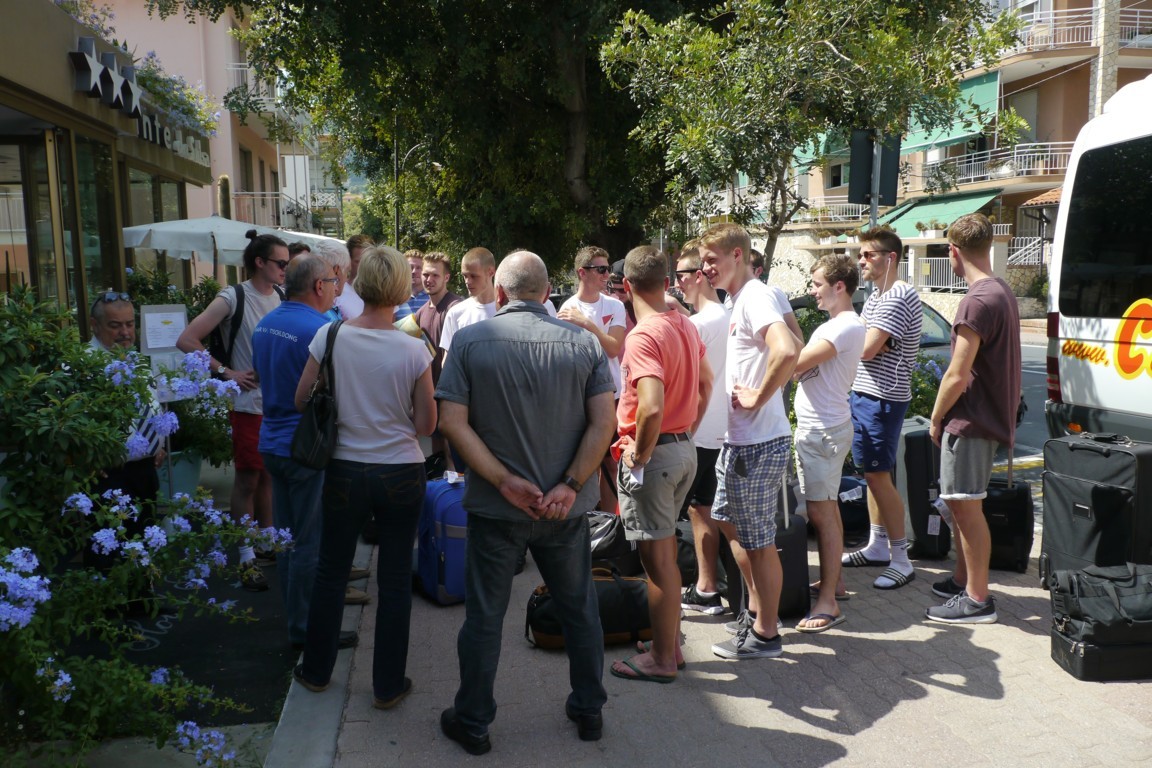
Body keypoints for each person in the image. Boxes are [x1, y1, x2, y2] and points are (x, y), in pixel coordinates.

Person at [436, 251, 616, 754]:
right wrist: (570, 482)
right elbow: (605, 422)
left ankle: (473, 718)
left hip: (497, 510)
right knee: (580, 609)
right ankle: (589, 709)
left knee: (485, 616)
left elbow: (452, 421)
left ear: (500, 292)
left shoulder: (471, 340)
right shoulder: (582, 342)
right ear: (547, 291)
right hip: (564, 509)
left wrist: (501, 480)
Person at [292, 245, 436, 707]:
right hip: (401, 471)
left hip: (344, 469)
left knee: (332, 571)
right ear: (398, 287)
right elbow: (426, 425)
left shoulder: (330, 336)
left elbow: (301, 401)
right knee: (394, 580)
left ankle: (316, 671)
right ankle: (387, 686)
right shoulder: (415, 349)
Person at [698, 222, 800, 660]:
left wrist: (759, 395)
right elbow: (795, 340)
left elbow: (788, 349)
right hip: (740, 442)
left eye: (711, 259)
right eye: (702, 261)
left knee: (758, 541)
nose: (705, 269)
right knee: (727, 522)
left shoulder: (755, 296)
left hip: (758, 443)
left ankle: (767, 633)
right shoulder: (742, 298)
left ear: (737, 255)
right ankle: (757, 608)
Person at [610, 245, 711, 683]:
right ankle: (668, 645)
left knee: (657, 562)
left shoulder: (643, 334)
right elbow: (706, 384)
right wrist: (683, 430)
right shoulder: (684, 324)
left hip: (657, 455)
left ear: (626, 286)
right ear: (668, 283)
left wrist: (644, 450)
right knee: (666, 553)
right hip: (683, 448)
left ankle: (663, 659)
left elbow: (650, 406)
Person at [252, 254, 362, 648]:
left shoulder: (265, 324)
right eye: (334, 283)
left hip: (272, 442)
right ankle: (307, 632)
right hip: (308, 448)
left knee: (285, 539)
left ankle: (296, 622)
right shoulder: (324, 329)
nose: (336, 290)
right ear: (319, 286)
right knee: (308, 544)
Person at [177, 231, 288, 591]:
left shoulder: (284, 297)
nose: (286, 270)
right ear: (260, 263)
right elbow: (186, 340)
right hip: (248, 406)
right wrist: (226, 373)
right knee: (247, 479)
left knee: (269, 476)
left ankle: (265, 543)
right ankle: (244, 556)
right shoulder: (233, 297)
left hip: (277, 406)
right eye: (281, 263)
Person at [925, 214, 1021, 624]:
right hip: (988, 417)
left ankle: (978, 599)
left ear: (953, 252)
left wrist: (935, 417)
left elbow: (957, 373)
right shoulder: (1001, 290)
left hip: (971, 420)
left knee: (965, 507)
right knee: (961, 502)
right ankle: (965, 581)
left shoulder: (976, 300)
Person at [841, 228, 923, 591]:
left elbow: (864, 348)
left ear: (891, 258)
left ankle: (901, 558)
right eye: (861, 254)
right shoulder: (877, 294)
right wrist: (871, 338)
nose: (861, 260)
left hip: (882, 399)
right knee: (874, 476)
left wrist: (873, 340)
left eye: (869, 254)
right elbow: (866, 338)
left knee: (878, 477)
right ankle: (877, 546)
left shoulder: (897, 296)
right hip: (866, 394)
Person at [791, 253, 866, 632]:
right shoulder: (839, 324)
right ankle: (833, 582)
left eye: (817, 284)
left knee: (822, 516)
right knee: (828, 511)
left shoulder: (842, 327)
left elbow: (794, 363)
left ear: (839, 286)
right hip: (824, 429)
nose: (812, 291)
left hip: (822, 431)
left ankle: (828, 603)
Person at [87, 292, 163, 579]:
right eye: (115, 325)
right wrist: (84, 460)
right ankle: (106, 610)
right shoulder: (84, 365)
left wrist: (159, 443)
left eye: (130, 324)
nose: (125, 332)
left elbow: (149, 407)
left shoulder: (137, 360)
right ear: (95, 325)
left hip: (144, 468)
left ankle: (140, 599)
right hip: (108, 472)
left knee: (143, 537)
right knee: (107, 544)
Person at [673, 242, 732, 617]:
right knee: (708, 510)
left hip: (698, 432)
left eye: (680, 275)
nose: (676, 282)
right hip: (726, 429)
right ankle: (708, 586)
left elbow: (687, 383)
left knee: (697, 512)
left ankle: (706, 587)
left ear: (698, 277)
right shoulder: (728, 314)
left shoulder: (698, 324)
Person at [558, 246, 628, 395]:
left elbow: (613, 349)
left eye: (608, 268)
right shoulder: (567, 308)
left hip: (613, 391)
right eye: (601, 269)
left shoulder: (615, 305)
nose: (607, 275)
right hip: (582, 392)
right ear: (582, 273)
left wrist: (586, 323)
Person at [414, 251, 463, 384]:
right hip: (428, 390)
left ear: (446, 278)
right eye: (425, 275)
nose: (429, 280)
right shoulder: (420, 313)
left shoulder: (456, 309)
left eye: (435, 275)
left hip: (451, 391)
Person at [439, 247, 497, 359]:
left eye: (473, 276)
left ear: (491, 272)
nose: (467, 281)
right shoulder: (456, 313)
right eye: (465, 276)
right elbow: (447, 361)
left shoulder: (508, 309)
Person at [335, 234, 373, 321]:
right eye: (359, 262)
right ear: (349, 261)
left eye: (368, 261)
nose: (365, 266)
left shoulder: (384, 292)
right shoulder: (337, 293)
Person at [394, 248, 429, 320]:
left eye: (419, 268)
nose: (414, 271)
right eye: (410, 267)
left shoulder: (433, 299)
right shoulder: (395, 299)